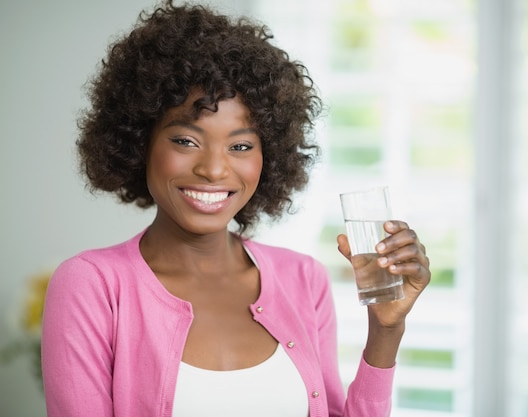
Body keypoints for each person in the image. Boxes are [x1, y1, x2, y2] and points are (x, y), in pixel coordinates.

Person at [40, 1, 431, 416]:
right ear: (140, 141)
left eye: (240, 146)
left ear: (270, 156)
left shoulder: (304, 280)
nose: (212, 169)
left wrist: (385, 331)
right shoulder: (92, 286)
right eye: (186, 141)